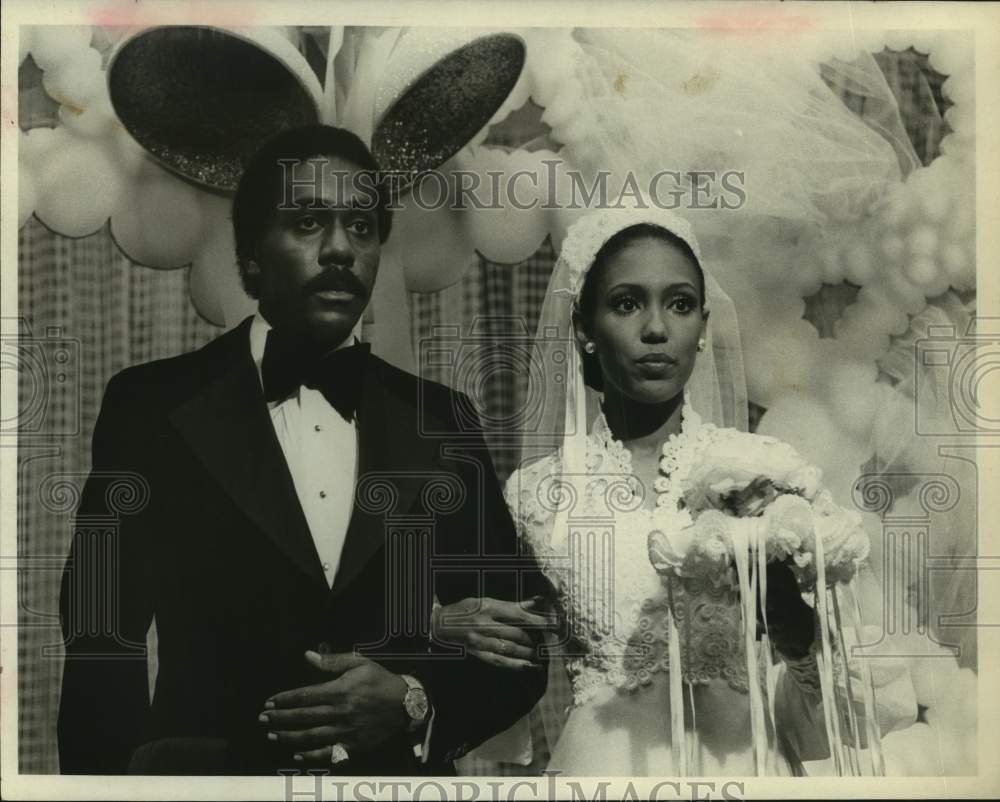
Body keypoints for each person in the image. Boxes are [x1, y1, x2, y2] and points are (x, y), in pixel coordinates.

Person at [57, 124, 548, 775]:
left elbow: (519, 648)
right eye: (310, 222)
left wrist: (415, 699)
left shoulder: (440, 422)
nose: (342, 248)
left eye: (363, 227)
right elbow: (99, 640)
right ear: (252, 253)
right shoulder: (152, 408)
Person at [433, 207, 919, 776]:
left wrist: (794, 628)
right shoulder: (539, 494)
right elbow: (500, 673)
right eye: (626, 303)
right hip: (605, 769)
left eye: (680, 304)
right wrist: (440, 623)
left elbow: (846, 710)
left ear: (704, 328)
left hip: (746, 768)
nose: (657, 328)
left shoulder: (765, 469)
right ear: (585, 330)